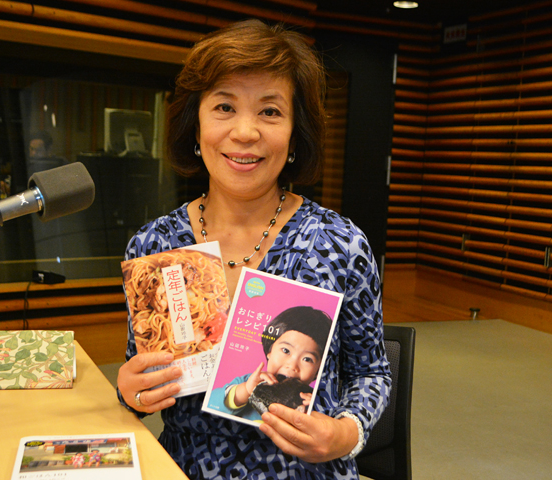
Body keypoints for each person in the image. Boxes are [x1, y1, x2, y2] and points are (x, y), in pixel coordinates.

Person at [117, 19, 391, 479]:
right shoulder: (154, 245)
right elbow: (142, 374)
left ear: (295, 132)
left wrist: (346, 433)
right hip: (184, 468)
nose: (245, 132)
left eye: (270, 111)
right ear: (195, 124)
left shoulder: (341, 244)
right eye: (224, 107)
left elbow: (372, 372)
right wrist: (130, 393)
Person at [208, 306, 332, 422]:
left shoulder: (315, 401)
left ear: (319, 370)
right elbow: (211, 404)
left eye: (307, 359)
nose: (292, 366)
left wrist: (315, 413)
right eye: (286, 351)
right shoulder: (250, 381)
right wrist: (245, 391)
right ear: (270, 351)